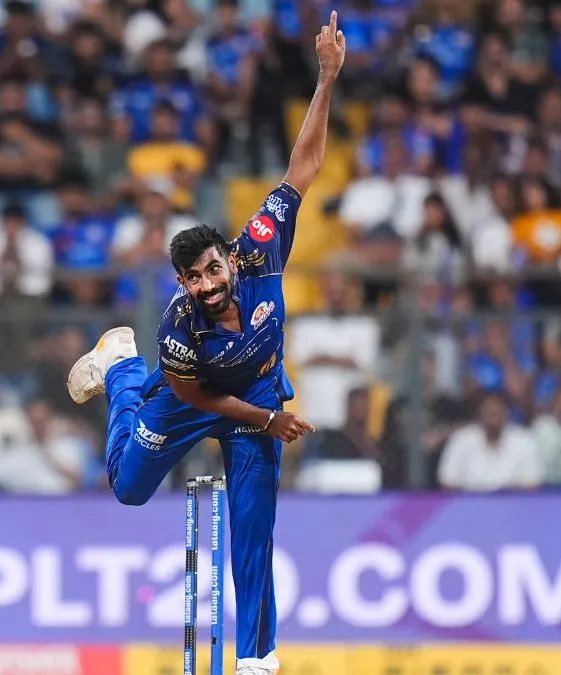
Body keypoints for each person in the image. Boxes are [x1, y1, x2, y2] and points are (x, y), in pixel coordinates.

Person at [66, 12, 345, 675]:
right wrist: (268, 419)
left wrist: (327, 78)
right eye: (195, 279)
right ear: (183, 283)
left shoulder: (260, 246)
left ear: (228, 258)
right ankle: (121, 365)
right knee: (128, 487)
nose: (210, 284)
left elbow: (304, 165)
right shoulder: (180, 327)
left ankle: (257, 659)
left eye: (214, 270)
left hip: (256, 389)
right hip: (196, 396)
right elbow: (195, 394)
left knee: (253, 523)